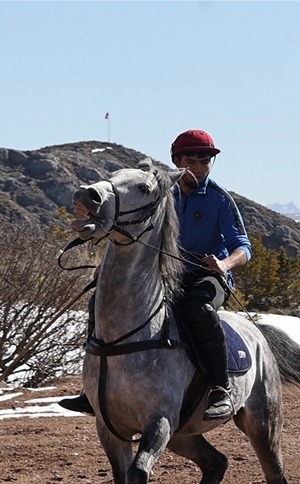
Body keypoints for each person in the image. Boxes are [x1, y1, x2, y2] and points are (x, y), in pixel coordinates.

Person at [61, 129, 253, 420]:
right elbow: (130, 231)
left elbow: (244, 247)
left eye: (205, 162)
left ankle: (220, 388)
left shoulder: (220, 199)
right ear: (176, 160)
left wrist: (225, 264)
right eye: (191, 161)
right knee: (98, 301)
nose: (199, 168)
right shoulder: (158, 194)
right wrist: (108, 263)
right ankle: (91, 390)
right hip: (161, 275)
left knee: (196, 308)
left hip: (206, 277)